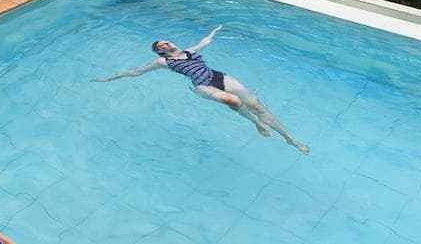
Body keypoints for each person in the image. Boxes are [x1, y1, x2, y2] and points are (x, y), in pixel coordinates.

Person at [93, 25, 309, 154]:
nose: (168, 44)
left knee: (255, 104)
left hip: (218, 76)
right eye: (163, 46)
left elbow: (204, 42)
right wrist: (111, 78)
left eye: (167, 42)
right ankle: (257, 125)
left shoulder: (190, 50)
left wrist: (214, 31)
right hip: (202, 86)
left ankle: (291, 139)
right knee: (234, 102)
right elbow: (137, 71)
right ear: (161, 53)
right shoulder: (163, 63)